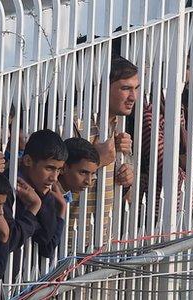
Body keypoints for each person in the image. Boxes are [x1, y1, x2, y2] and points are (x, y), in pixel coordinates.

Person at [71, 55, 137, 249]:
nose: (133, 97)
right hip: (70, 245)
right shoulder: (74, 123)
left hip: (102, 243)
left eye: (136, 89)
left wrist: (126, 180)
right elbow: (54, 184)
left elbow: (127, 198)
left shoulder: (116, 126)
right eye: (125, 88)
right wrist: (97, 160)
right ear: (101, 88)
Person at [11, 129, 68, 259]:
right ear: (27, 161)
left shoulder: (43, 190)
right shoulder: (13, 189)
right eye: (49, 168)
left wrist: (61, 209)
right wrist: (37, 204)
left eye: (58, 170)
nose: (54, 178)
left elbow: (48, 248)